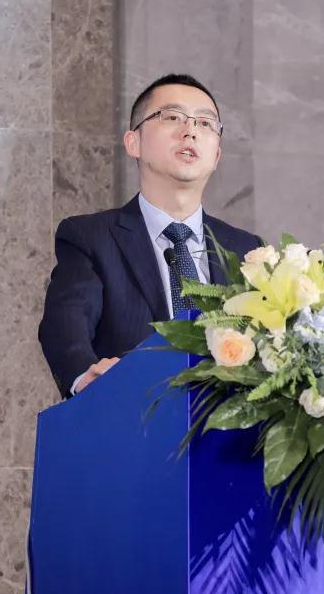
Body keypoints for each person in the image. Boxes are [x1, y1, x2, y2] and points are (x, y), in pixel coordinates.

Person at [38, 74, 263, 397]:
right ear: (134, 143)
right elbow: (65, 327)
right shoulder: (91, 238)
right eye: (172, 117)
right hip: (130, 415)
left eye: (205, 123)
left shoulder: (246, 249)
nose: (190, 131)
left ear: (216, 156)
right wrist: (87, 377)